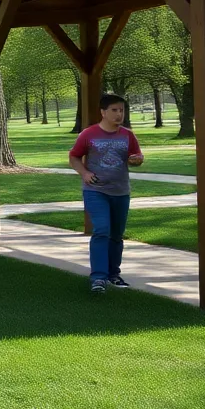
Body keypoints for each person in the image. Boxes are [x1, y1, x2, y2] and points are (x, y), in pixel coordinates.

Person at [69, 93, 143, 294]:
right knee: (102, 230)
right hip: (95, 190)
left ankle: (113, 274)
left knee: (116, 235)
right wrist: (84, 173)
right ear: (103, 112)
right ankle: (98, 278)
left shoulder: (128, 135)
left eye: (121, 110)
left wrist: (136, 159)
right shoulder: (89, 134)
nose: (119, 114)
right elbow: (74, 157)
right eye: (114, 110)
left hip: (120, 191)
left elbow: (136, 156)